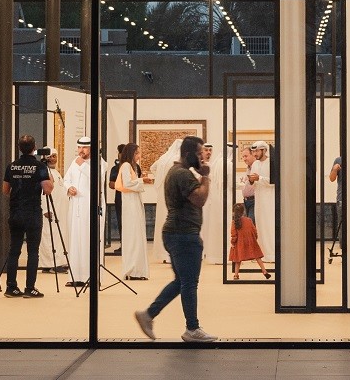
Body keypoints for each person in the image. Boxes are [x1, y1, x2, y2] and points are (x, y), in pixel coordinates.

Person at [134, 134, 216, 343]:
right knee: (189, 283)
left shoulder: (177, 171)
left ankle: (148, 314)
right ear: (188, 154)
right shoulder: (182, 174)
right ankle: (192, 328)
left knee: (181, 281)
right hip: (183, 234)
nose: (202, 158)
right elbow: (200, 199)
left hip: (177, 233)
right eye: (199, 154)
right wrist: (206, 176)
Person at [1, 134, 52, 297]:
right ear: (34, 148)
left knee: (14, 250)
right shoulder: (40, 166)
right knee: (33, 251)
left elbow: (5, 190)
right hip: (32, 213)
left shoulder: (11, 166)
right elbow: (48, 189)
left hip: (15, 212)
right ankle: (30, 288)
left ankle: (11, 287)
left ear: (19, 148)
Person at [61, 140, 99, 287]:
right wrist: (69, 187)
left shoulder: (98, 162)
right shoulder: (74, 162)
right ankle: (76, 276)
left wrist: (82, 165)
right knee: (74, 241)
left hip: (89, 208)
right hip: (75, 207)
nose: (81, 150)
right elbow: (66, 179)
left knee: (87, 240)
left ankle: (89, 276)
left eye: (84, 147)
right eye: (79, 147)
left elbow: (96, 177)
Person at [112, 142, 148, 281]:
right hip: (130, 203)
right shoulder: (126, 166)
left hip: (134, 201)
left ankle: (137, 270)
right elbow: (127, 184)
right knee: (133, 236)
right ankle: (133, 270)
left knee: (137, 236)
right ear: (131, 153)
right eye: (137, 153)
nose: (139, 156)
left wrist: (140, 180)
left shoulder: (132, 166)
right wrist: (142, 180)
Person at [229, 203, 269, 279]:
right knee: (258, 257)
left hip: (239, 243)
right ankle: (264, 271)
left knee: (237, 259)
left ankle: (236, 275)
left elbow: (234, 235)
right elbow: (254, 231)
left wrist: (233, 243)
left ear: (233, 212)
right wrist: (254, 239)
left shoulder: (234, 222)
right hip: (251, 242)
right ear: (243, 211)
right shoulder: (249, 220)